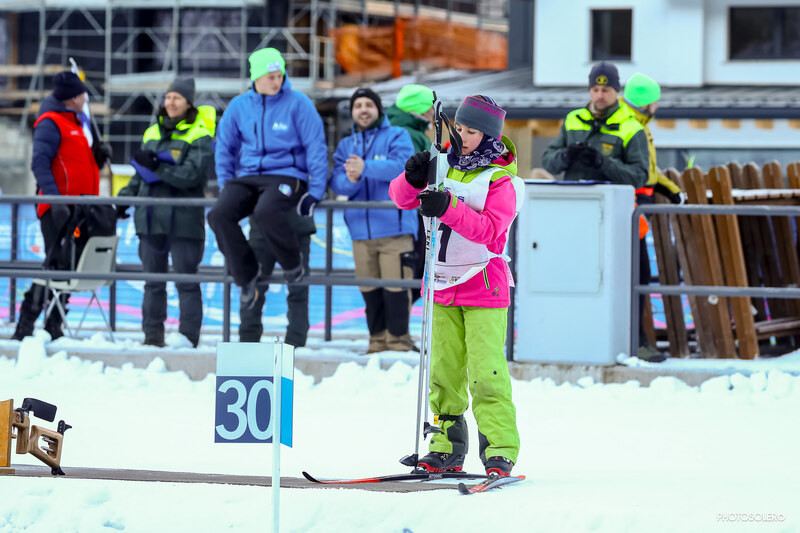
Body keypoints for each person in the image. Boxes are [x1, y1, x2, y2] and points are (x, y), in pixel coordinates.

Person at [389, 95, 524, 477]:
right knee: (443, 372)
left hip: (484, 286)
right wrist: (411, 177)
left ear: (490, 136)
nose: (461, 137)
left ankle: (499, 448)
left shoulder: (501, 180)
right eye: (459, 128)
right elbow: (399, 198)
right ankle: (445, 445)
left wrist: (448, 207)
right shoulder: (441, 164)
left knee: (486, 372)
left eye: (471, 132)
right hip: (441, 284)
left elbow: (490, 231)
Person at [541, 62, 657, 362]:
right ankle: (571, 337)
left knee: (631, 279)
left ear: (617, 91)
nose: (599, 95)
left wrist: (603, 163)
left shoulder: (631, 127)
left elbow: (640, 176)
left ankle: (635, 340)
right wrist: (566, 156)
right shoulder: (573, 120)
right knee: (573, 279)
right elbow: (548, 159)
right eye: (595, 89)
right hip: (574, 219)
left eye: (605, 89)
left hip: (617, 222)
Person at [208, 47, 327, 309]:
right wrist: (226, 184)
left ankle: (292, 264)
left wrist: (316, 192)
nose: (277, 81)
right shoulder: (239, 106)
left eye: (280, 76)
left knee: (266, 211)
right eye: (271, 77)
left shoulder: (299, 103)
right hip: (249, 176)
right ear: (256, 78)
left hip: (288, 174)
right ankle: (246, 275)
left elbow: (316, 147)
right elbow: (225, 148)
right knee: (218, 214)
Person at [11, 71, 112, 341]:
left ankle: (54, 324)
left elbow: (74, 165)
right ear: (72, 98)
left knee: (69, 266)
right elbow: (40, 163)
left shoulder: (75, 123)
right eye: (82, 95)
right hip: (60, 209)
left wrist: (97, 158)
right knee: (55, 265)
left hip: (79, 208)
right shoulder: (51, 122)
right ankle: (26, 324)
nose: (85, 99)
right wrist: (55, 201)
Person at [116, 78, 214, 348]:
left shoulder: (200, 134)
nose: (171, 102)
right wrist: (123, 200)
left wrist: (157, 167)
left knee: (186, 281)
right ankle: (152, 337)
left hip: (184, 222)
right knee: (153, 283)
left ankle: (188, 338)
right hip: (150, 219)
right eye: (168, 97)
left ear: (189, 103)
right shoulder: (152, 133)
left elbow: (191, 175)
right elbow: (140, 176)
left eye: (177, 98)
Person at [330, 88, 416, 353]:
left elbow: (403, 167)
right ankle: (376, 342)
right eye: (358, 106)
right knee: (369, 290)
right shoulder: (346, 145)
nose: (363, 110)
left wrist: (365, 168)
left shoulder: (397, 135)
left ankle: (399, 342)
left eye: (369, 104)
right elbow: (337, 183)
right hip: (360, 232)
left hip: (395, 229)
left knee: (396, 288)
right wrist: (353, 178)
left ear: (379, 109)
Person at [620, 72, 684, 363]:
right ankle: (636, 341)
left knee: (637, 274)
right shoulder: (632, 126)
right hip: (632, 206)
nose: (657, 106)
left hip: (636, 204)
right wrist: (668, 190)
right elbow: (642, 172)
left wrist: (671, 190)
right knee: (638, 274)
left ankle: (635, 340)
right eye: (655, 101)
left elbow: (649, 171)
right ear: (646, 103)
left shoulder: (634, 122)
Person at [385, 84, 436, 302]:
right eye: (431, 107)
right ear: (421, 109)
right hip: (410, 215)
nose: (434, 112)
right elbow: (416, 176)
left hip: (399, 215)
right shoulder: (410, 135)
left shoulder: (400, 130)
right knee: (416, 273)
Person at [238, 211, 316, 346]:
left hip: (293, 226)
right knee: (253, 286)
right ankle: (248, 341)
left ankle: (296, 343)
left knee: (297, 288)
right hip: (265, 226)